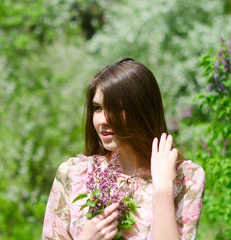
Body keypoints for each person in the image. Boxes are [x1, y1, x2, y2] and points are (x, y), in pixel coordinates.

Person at [42, 58, 205, 240]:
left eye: (116, 109)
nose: (102, 120)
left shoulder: (186, 178)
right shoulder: (72, 174)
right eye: (97, 108)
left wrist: (163, 189)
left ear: (142, 110)